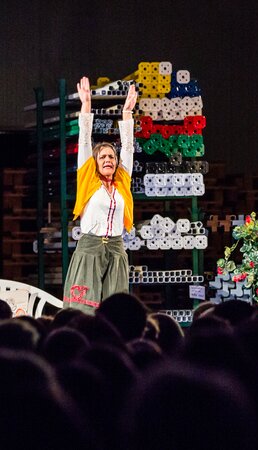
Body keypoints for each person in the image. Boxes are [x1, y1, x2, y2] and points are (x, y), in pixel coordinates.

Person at [63, 77, 137, 313]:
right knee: (84, 309)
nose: (108, 160)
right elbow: (84, 138)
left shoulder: (122, 182)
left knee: (116, 310)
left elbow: (128, 147)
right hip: (90, 249)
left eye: (111, 157)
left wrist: (126, 113)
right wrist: (86, 105)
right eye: (103, 157)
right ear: (95, 162)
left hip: (116, 249)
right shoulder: (88, 179)